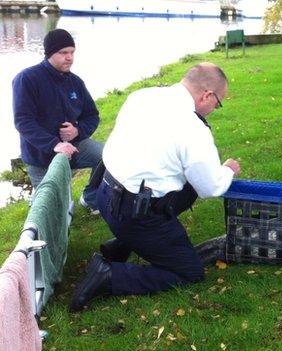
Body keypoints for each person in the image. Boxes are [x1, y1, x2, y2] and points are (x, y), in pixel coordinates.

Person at [69, 63, 240, 312]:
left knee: (182, 187)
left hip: (104, 195)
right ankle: (109, 275)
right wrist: (227, 171)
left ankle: (124, 243)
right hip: (133, 213)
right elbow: (210, 187)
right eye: (217, 103)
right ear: (207, 95)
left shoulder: (142, 96)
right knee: (189, 272)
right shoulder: (192, 128)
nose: (214, 109)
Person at [13, 28, 103, 213]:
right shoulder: (27, 79)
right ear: (49, 54)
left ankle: (90, 198)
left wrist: (78, 130)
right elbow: (23, 121)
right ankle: (43, 200)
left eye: (72, 52)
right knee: (62, 211)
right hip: (41, 157)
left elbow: (92, 115)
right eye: (63, 53)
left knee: (109, 157)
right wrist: (55, 144)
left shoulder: (76, 82)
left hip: (74, 148)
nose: (69, 57)